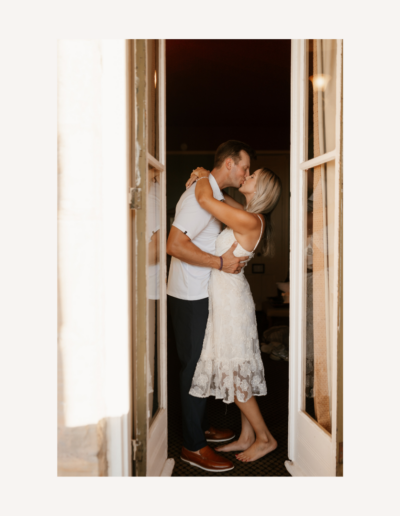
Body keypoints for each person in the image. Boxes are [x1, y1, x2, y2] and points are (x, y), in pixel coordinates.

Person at [166, 140, 256, 473]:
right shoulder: (197, 197)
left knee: (201, 364)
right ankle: (193, 446)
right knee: (193, 367)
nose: (246, 173)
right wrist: (219, 262)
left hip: (199, 292)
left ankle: (198, 427)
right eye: (244, 166)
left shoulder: (212, 194)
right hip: (190, 294)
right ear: (230, 163)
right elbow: (174, 245)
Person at [187, 164, 282, 463]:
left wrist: (204, 177)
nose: (246, 175)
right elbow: (225, 202)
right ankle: (246, 437)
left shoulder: (250, 220)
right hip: (228, 298)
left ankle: (265, 438)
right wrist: (211, 182)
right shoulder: (250, 216)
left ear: (261, 188)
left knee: (234, 372)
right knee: (236, 367)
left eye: (252, 176)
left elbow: (205, 201)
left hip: (231, 303)